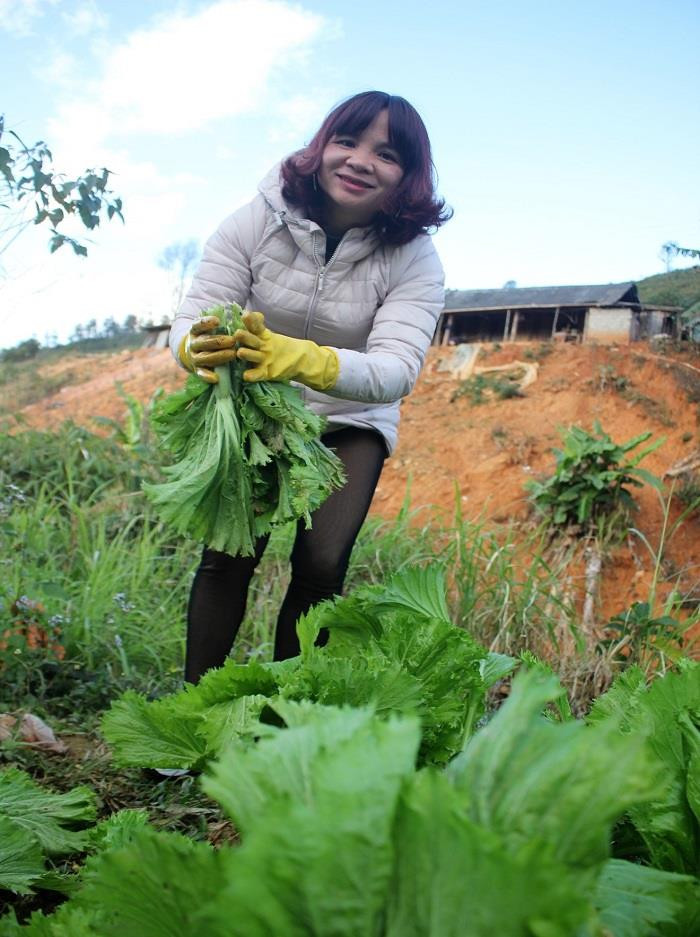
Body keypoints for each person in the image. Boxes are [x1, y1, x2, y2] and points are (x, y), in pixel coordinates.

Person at [169, 90, 452, 684]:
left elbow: (398, 367)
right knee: (227, 557)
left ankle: (288, 725)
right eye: (346, 141)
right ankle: (191, 720)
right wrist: (197, 348)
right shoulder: (255, 219)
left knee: (321, 565)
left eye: (386, 153)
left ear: (408, 175)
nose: (359, 160)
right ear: (321, 147)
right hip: (259, 411)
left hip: (353, 417)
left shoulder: (414, 259)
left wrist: (301, 359)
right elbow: (192, 316)